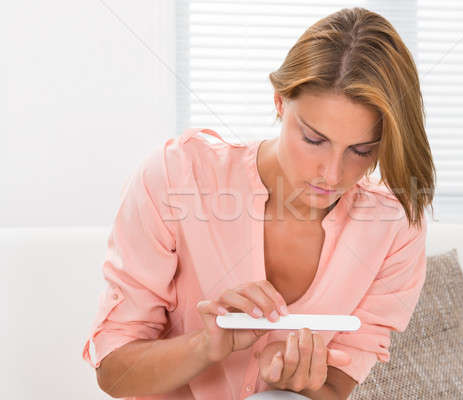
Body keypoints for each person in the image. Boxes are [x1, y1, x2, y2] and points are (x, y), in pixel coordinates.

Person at [81, 6, 436, 400]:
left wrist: (296, 382)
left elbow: (336, 389)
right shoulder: (178, 176)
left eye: (361, 150)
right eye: (314, 140)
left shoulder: (394, 229)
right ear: (280, 102)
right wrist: (206, 346)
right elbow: (113, 373)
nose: (332, 175)